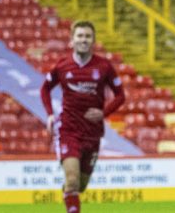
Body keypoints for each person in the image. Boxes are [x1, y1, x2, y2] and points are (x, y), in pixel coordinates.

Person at [40, 21, 125, 213]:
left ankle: (69, 194)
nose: (83, 40)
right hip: (68, 130)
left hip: (92, 134)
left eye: (87, 36)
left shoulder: (104, 67)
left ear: (93, 41)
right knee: (72, 180)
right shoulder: (62, 66)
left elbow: (121, 95)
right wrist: (50, 115)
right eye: (79, 36)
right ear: (72, 40)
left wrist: (104, 113)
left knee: (81, 185)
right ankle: (71, 197)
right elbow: (45, 89)